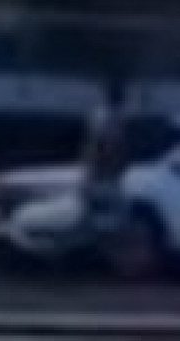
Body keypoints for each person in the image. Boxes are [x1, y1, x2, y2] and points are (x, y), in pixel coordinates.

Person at [76, 75, 132, 249]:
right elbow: (107, 143)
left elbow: (97, 143)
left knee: (101, 208)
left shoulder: (102, 114)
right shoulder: (111, 116)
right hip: (104, 169)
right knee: (111, 209)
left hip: (100, 168)